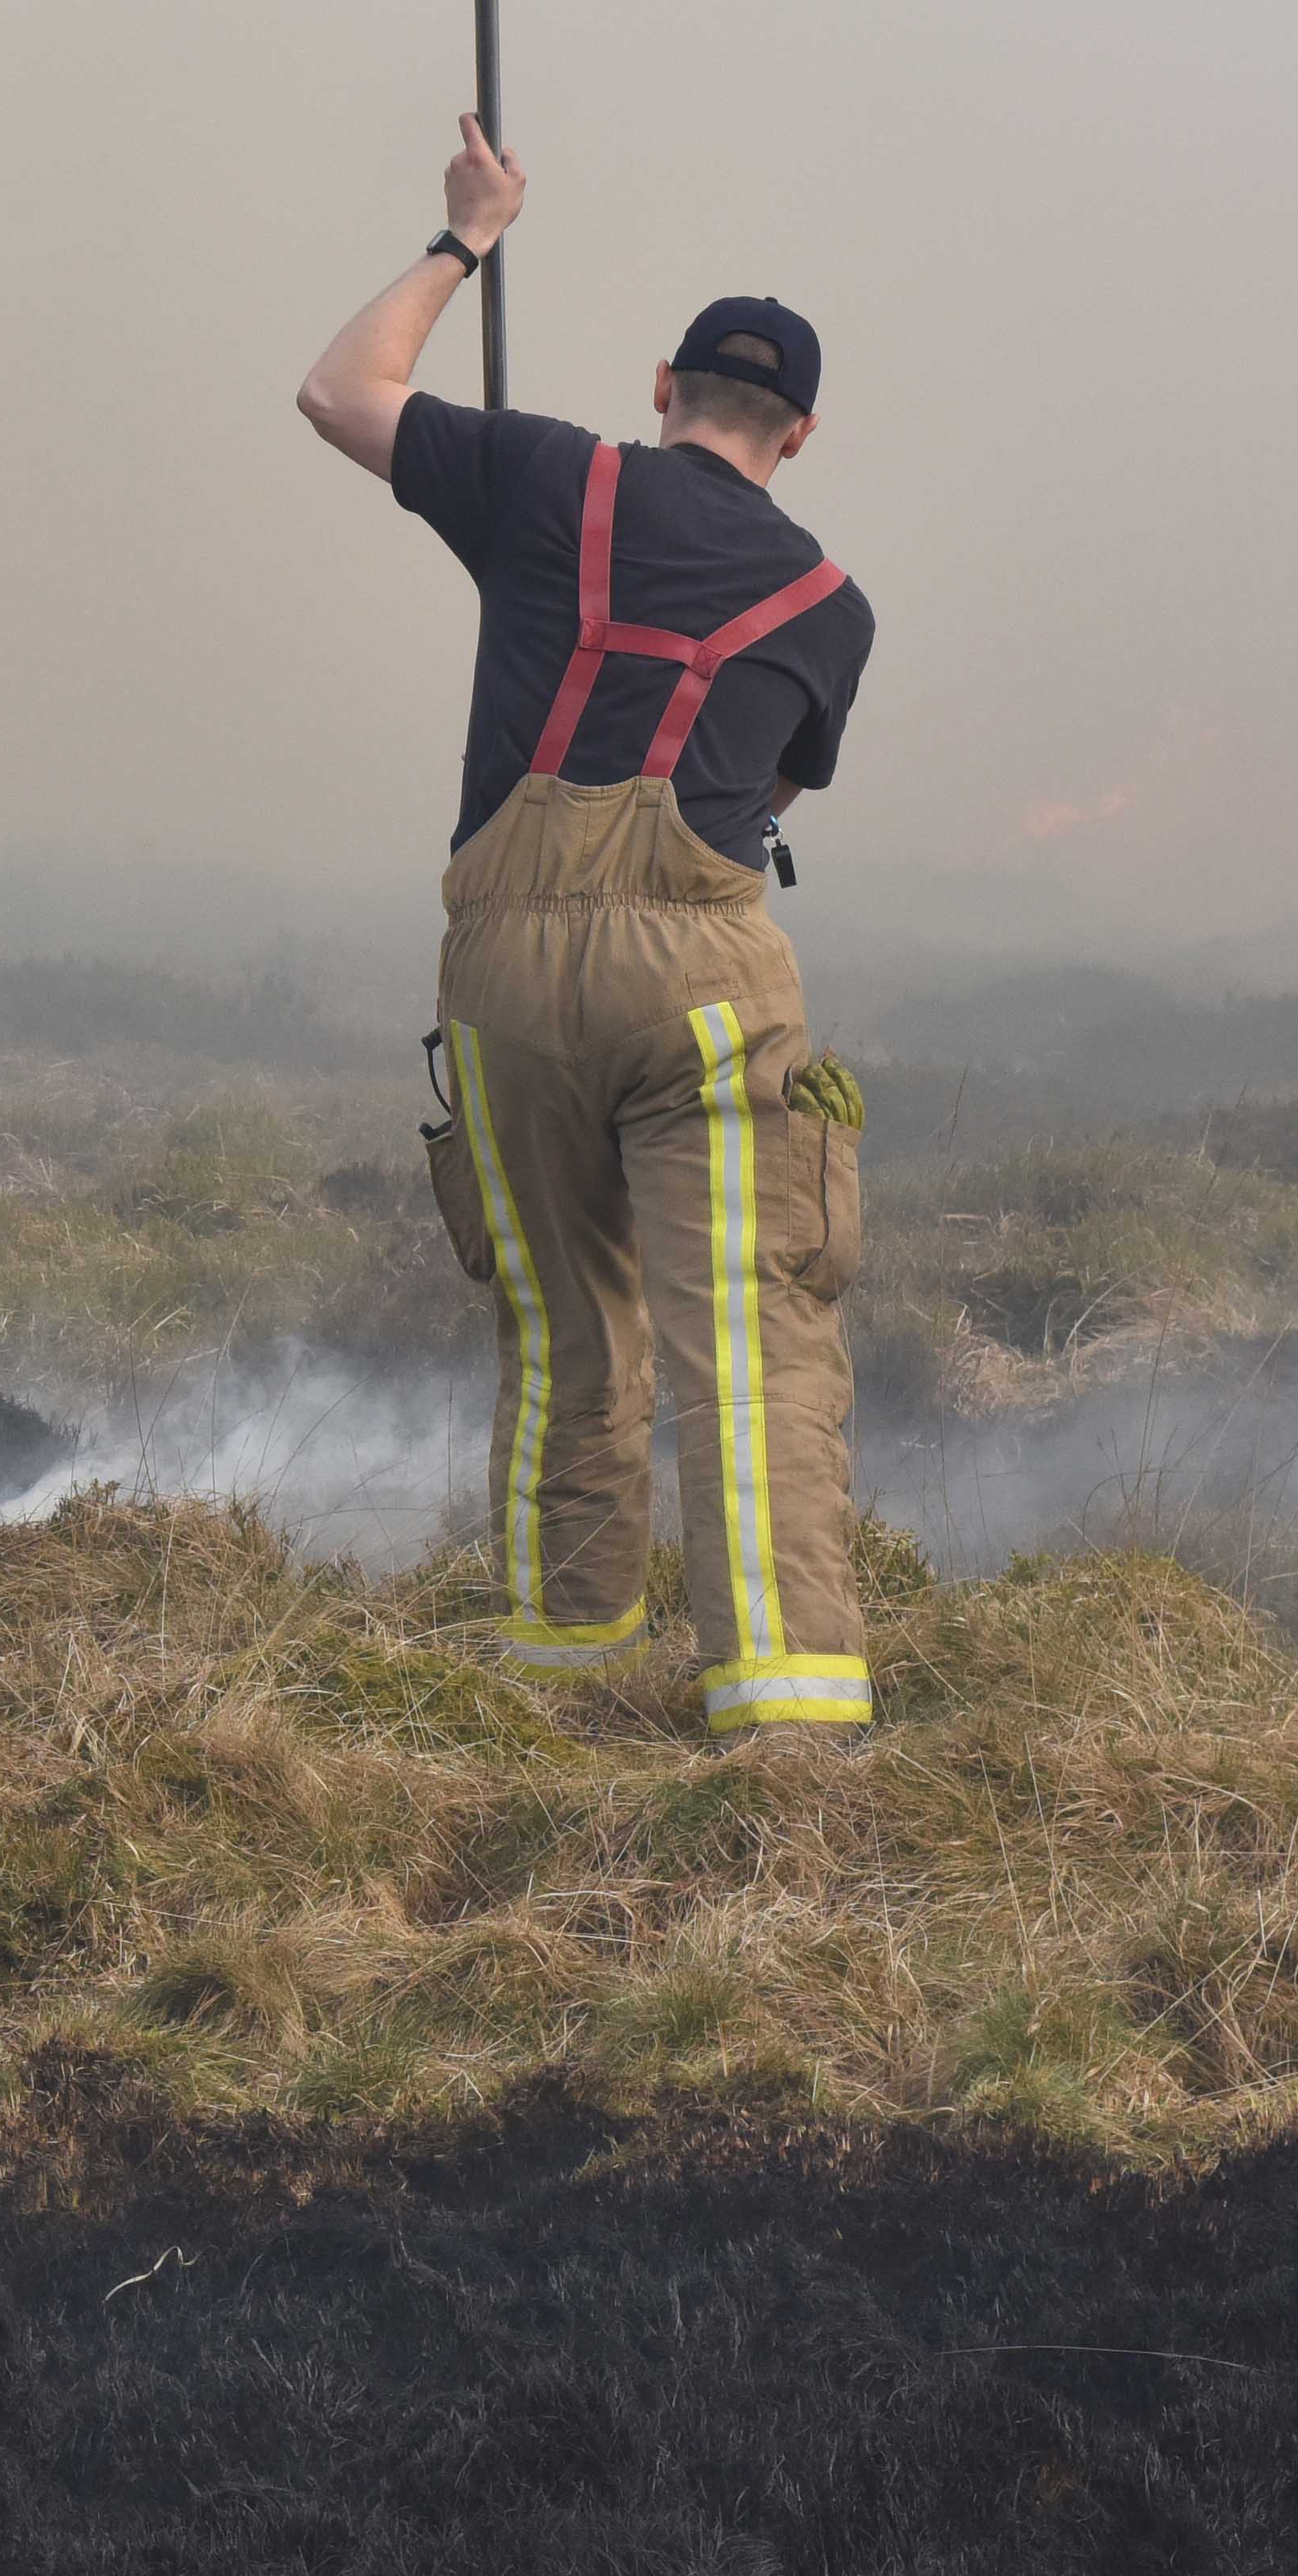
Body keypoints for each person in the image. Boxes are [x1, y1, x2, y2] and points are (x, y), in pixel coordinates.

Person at [297, 122, 879, 1745]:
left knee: (562, 1323)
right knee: (751, 1343)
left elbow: (344, 394)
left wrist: (464, 240)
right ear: (801, 434)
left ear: (661, 386)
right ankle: (785, 1716)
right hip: (696, 986)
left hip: (499, 980)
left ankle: (559, 1681)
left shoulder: (552, 477)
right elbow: (767, 793)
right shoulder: (830, 608)